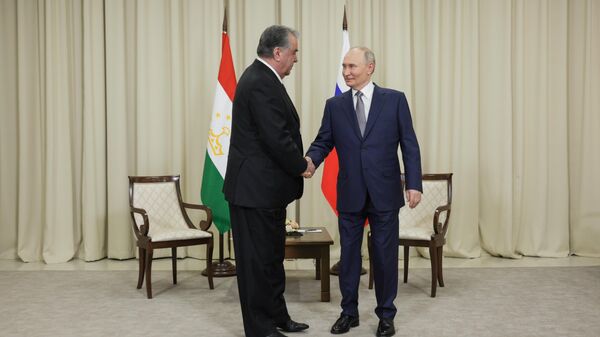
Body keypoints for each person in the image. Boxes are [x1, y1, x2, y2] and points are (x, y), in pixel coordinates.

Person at [305, 47, 422, 337]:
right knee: (349, 257)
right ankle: (349, 313)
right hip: (350, 192)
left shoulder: (394, 100)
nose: (346, 71)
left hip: (384, 191)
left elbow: (409, 144)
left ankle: (386, 315)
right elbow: (323, 141)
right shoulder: (334, 105)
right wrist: (310, 161)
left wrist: (414, 184)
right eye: (344, 66)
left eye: (352, 66)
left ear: (370, 68)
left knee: (383, 256)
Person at [223, 25, 314, 337]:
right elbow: (276, 138)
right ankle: (260, 329)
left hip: (266, 192)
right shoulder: (259, 81)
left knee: (272, 260)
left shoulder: (265, 79)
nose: (296, 59)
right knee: (257, 265)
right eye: (294, 52)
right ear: (278, 53)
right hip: (253, 192)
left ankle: (277, 316)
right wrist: (301, 165)